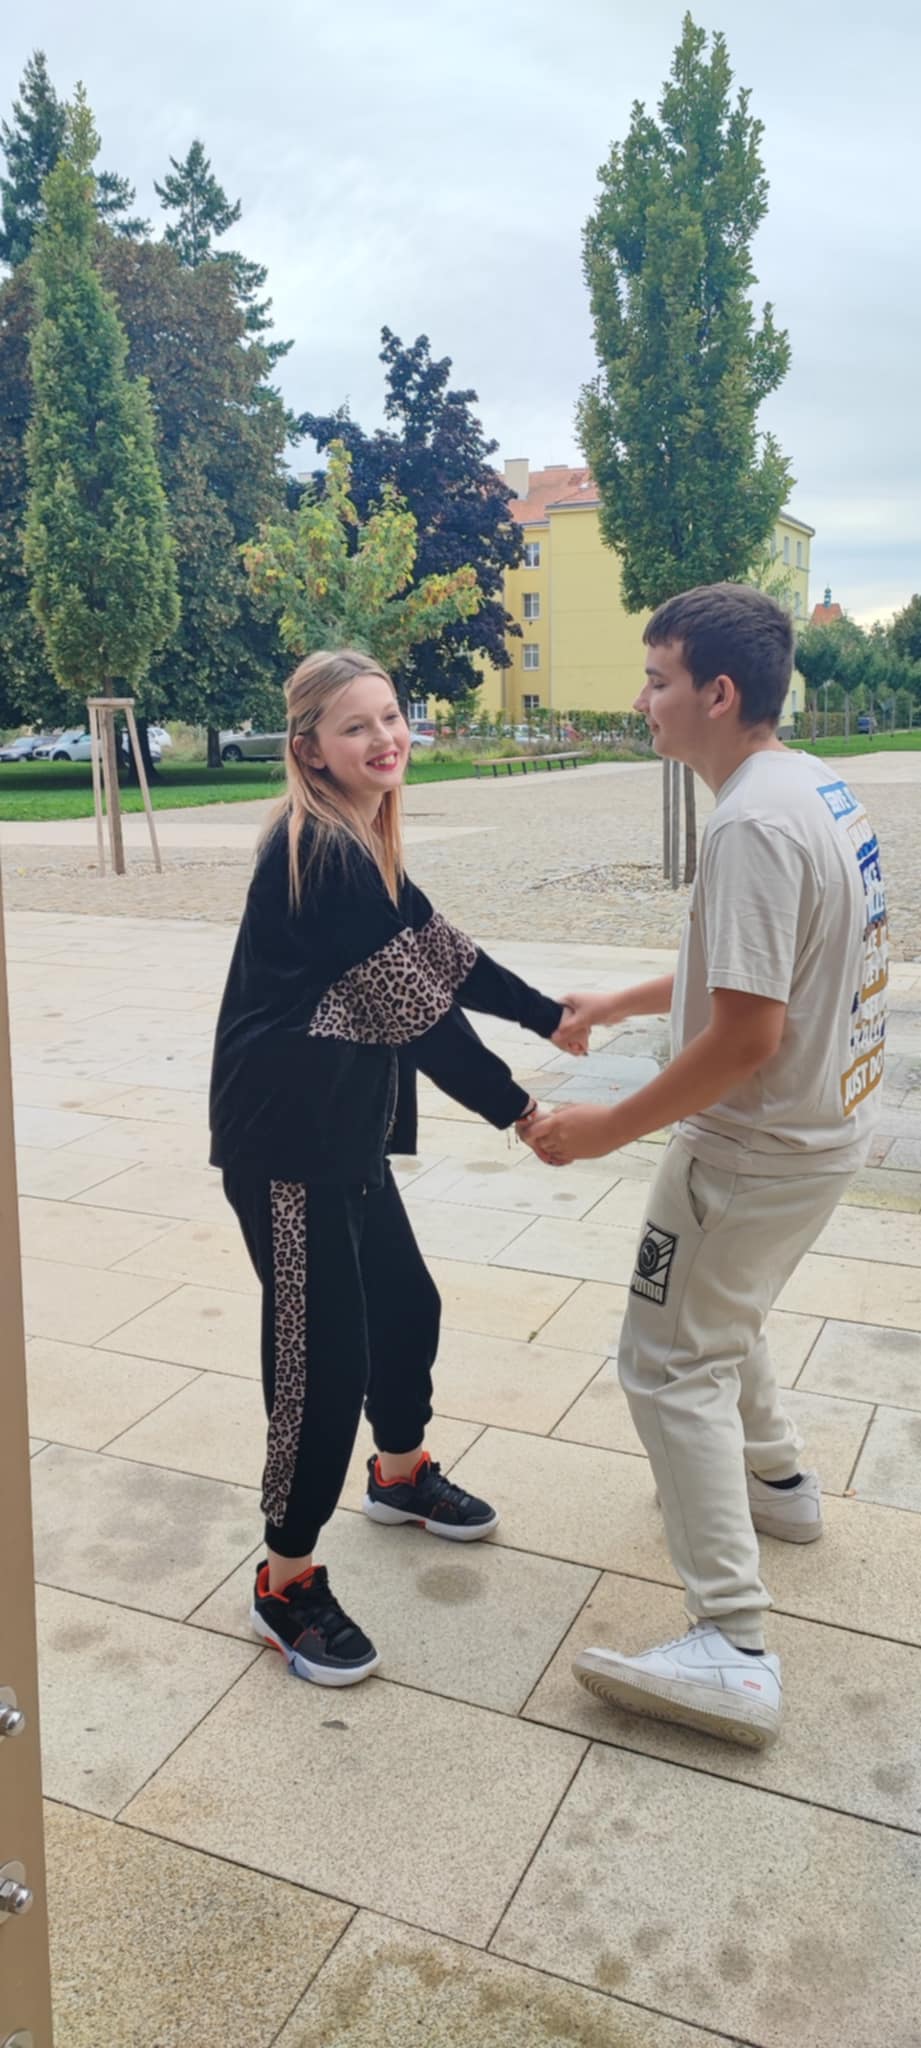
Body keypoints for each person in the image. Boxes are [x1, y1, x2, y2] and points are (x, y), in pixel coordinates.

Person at [524, 583, 887, 1747]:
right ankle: (776, 1485)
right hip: (819, 1130)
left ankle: (732, 1642)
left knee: (666, 1357)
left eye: (657, 679)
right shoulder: (808, 786)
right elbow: (752, 968)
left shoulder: (749, 825)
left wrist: (607, 1126)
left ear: (718, 693)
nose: (643, 701)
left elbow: (743, 1037)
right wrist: (620, 999)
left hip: (752, 1146)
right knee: (721, 1307)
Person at [209, 647, 585, 1687]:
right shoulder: (318, 853)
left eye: (391, 715)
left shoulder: (360, 838)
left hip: (345, 1132)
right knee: (319, 1363)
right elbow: (424, 1019)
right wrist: (523, 1111)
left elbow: (443, 954)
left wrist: (550, 1013)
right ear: (310, 750)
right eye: (356, 726)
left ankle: (400, 1472)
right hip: (288, 1144)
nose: (386, 738)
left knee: (406, 1306)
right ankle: (284, 1580)